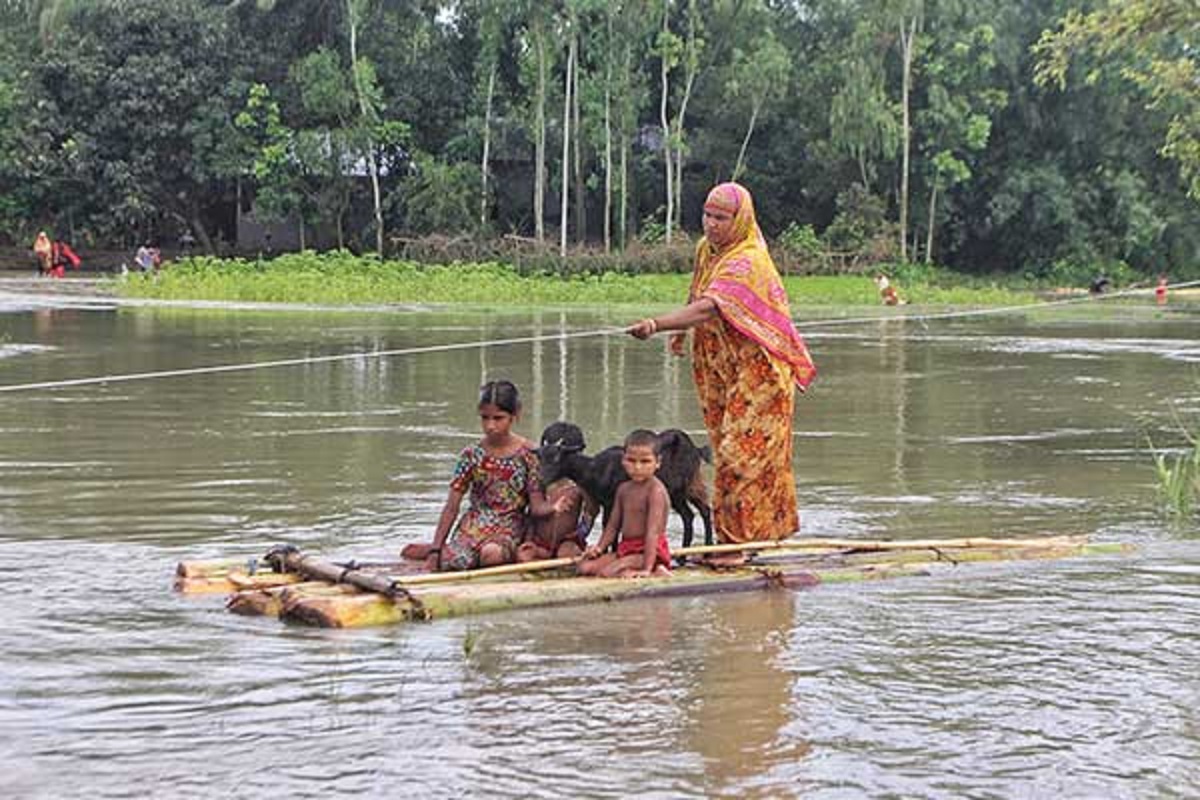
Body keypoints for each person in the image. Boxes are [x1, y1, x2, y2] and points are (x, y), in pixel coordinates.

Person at [627, 182, 816, 566]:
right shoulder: (706, 250)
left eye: (720, 218)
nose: (711, 224)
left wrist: (657, 324)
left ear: (740, 219)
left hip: (759, 371)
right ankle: (740, 538)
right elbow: (697, 294)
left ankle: (733, 546)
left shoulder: (746, 260)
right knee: (725, 446)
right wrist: (680, 331)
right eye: (707, 215)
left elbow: (710, 308)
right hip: (721, 366)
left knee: (737, 454)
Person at [422, 380, 568, 572]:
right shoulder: (471, 455)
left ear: (515, 415)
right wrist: (435, 550)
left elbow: (536, 505)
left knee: (492, 555)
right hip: (473, 526)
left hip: (509, 526)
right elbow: (452, 506)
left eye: (498, 418)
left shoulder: (530, 454)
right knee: (453, 561)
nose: (490, 426)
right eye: (485, 418)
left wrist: (553, 507)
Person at [578, 429, 673, 578]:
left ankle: (655, 568)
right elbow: (613, 525)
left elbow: (652, 533)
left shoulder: (655, 492)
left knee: (606, 573)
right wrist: (599, 548)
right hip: (627, 548)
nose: (637, 467)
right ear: (623, 460)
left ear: (658, 463)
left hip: (647, 551)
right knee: (585, 568)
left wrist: (646, 569)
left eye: (645, 461)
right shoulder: (624, 489)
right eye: (631, 461)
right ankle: (637, 569)